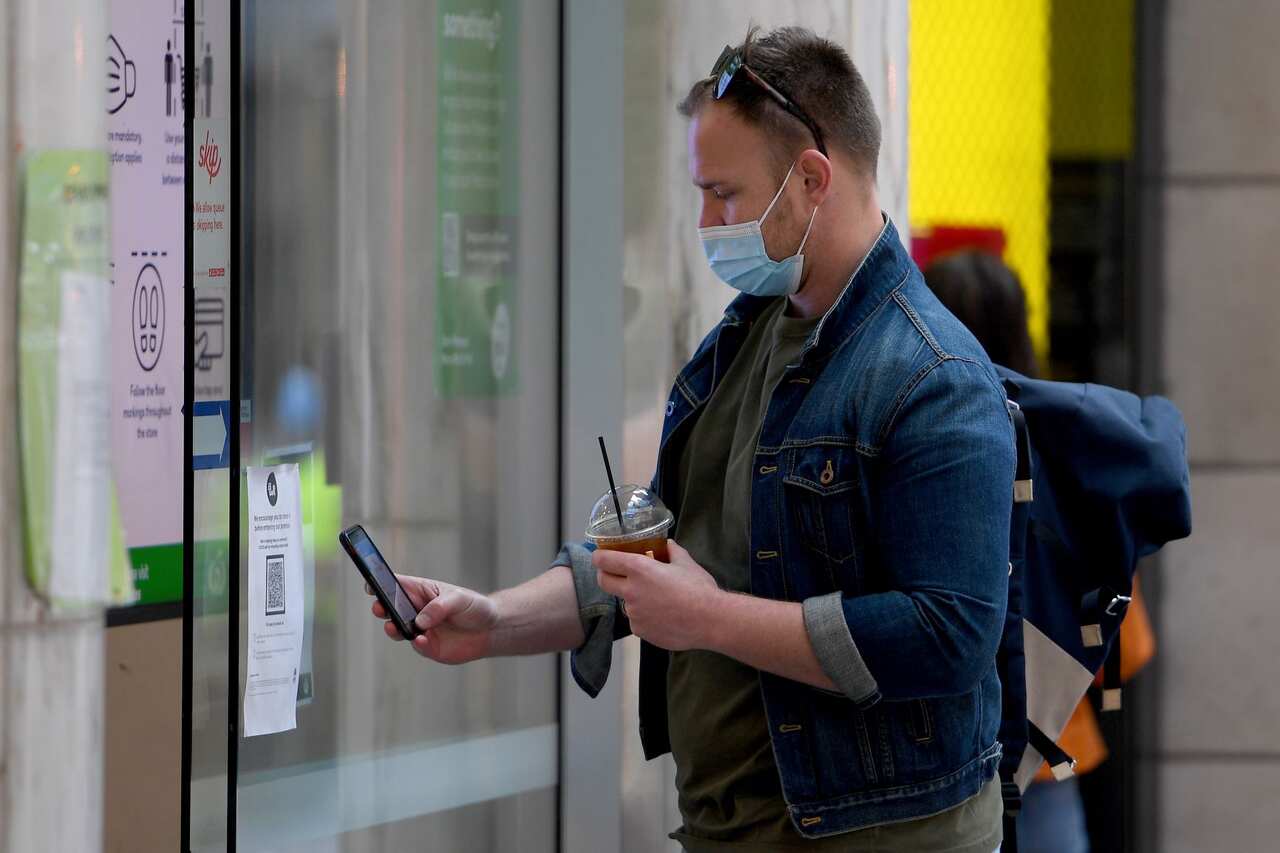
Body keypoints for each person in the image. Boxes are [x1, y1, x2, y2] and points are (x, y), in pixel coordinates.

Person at [369, 27, 1013, 851]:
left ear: (813, 179)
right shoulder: (742, 342)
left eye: (726, 195)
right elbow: (657, 562)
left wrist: (711, 619)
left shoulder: (935, 374)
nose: (707, 223)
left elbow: (948, 634)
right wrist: (493, 621)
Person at [924, 250, 1157, 853]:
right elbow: (1127, 644)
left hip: (931, 759)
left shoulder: (914, 452)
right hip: (1047, 750)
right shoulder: (1068, 452)